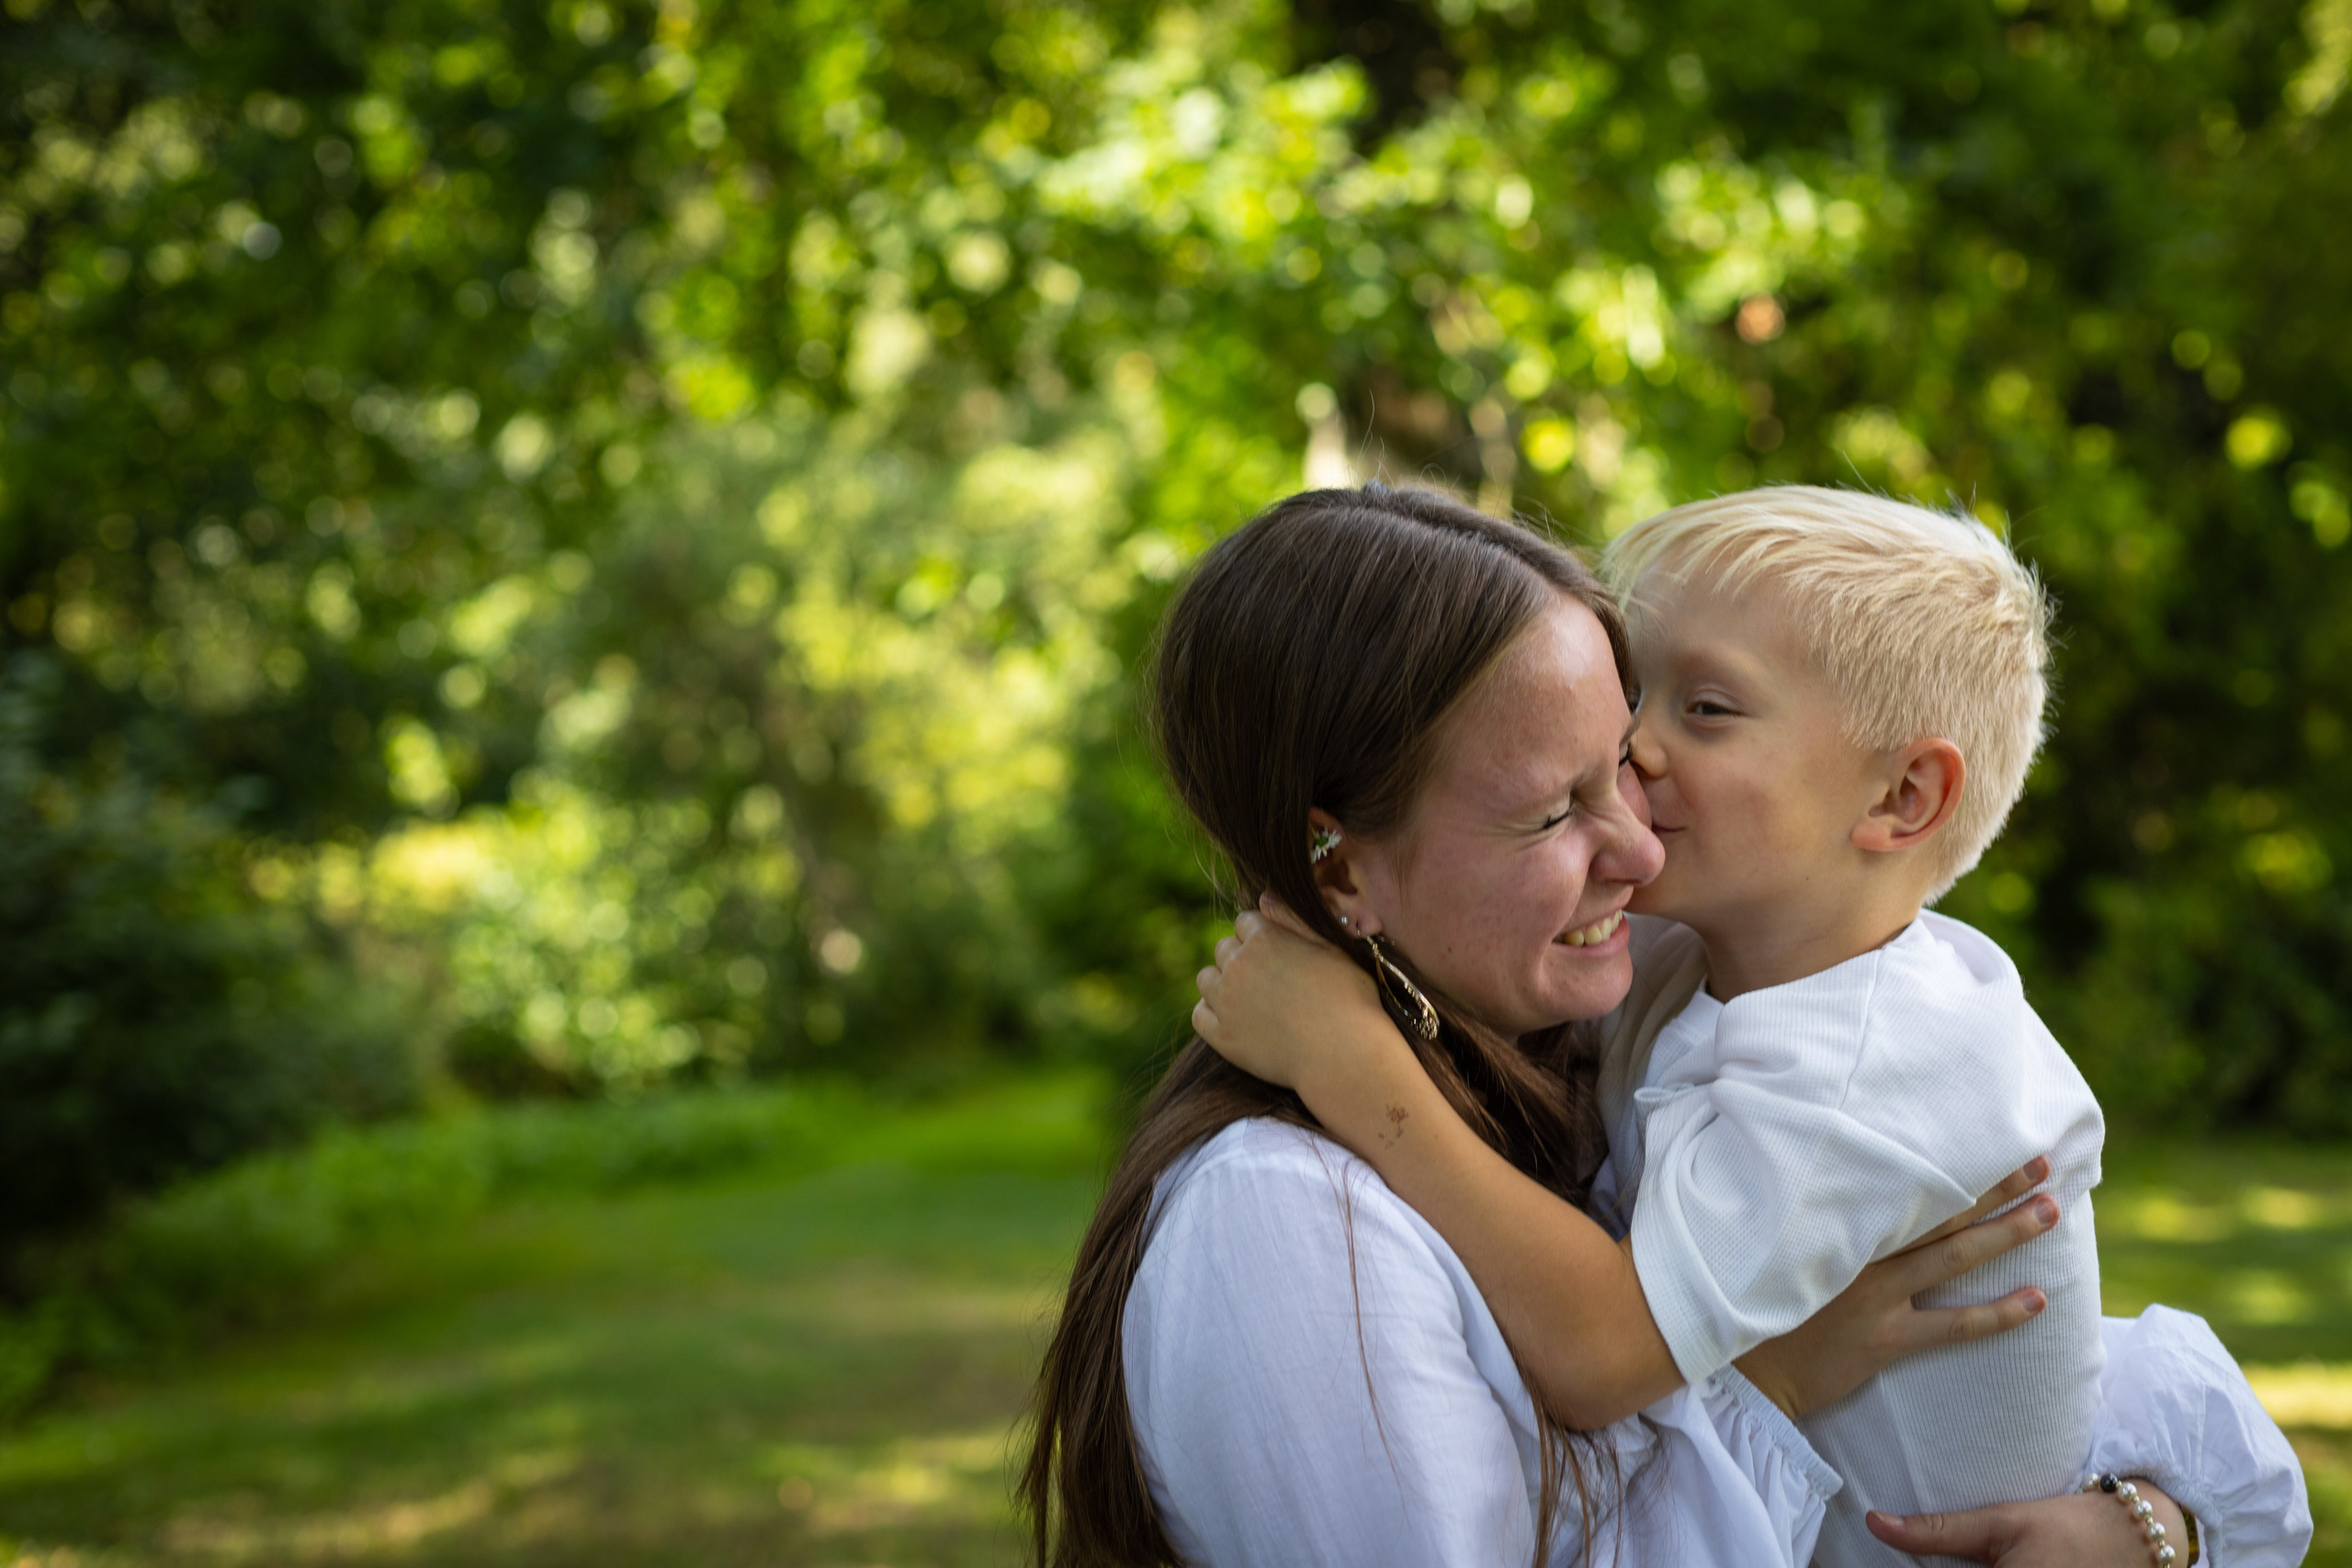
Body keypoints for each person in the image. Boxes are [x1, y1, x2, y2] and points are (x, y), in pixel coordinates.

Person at [1023, 484, 2301, 1568]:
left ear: (1904, 795)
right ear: (1339, 867)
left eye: (1666, 733)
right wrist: (1772, 1382)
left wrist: (2153, 1523)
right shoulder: (1289, 1212)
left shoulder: (1800, 1044)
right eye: (1555, 806)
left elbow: (2053, 1351)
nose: (1638, 837)